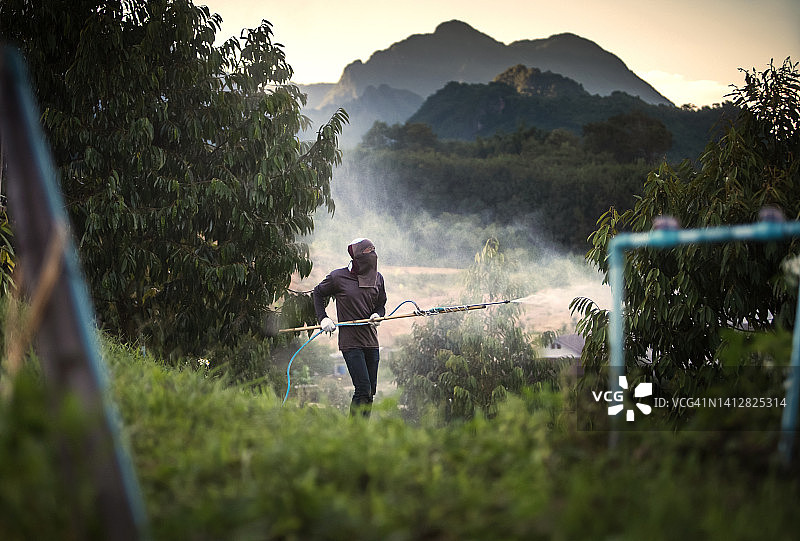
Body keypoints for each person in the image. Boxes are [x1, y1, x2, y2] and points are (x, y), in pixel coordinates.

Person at [313, 238, 387, 417]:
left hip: (371, 342)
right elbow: (317, 292)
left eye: (374, 250)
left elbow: (381, 304)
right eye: (369, 251)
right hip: (351, 343)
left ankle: (362, 434)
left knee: (370, 393)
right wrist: (323, 319)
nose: (374, 255)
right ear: (358, 256)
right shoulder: (338, 277)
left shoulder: (378, 278)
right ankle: (353, 434)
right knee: (362, 389)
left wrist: (378, 315)